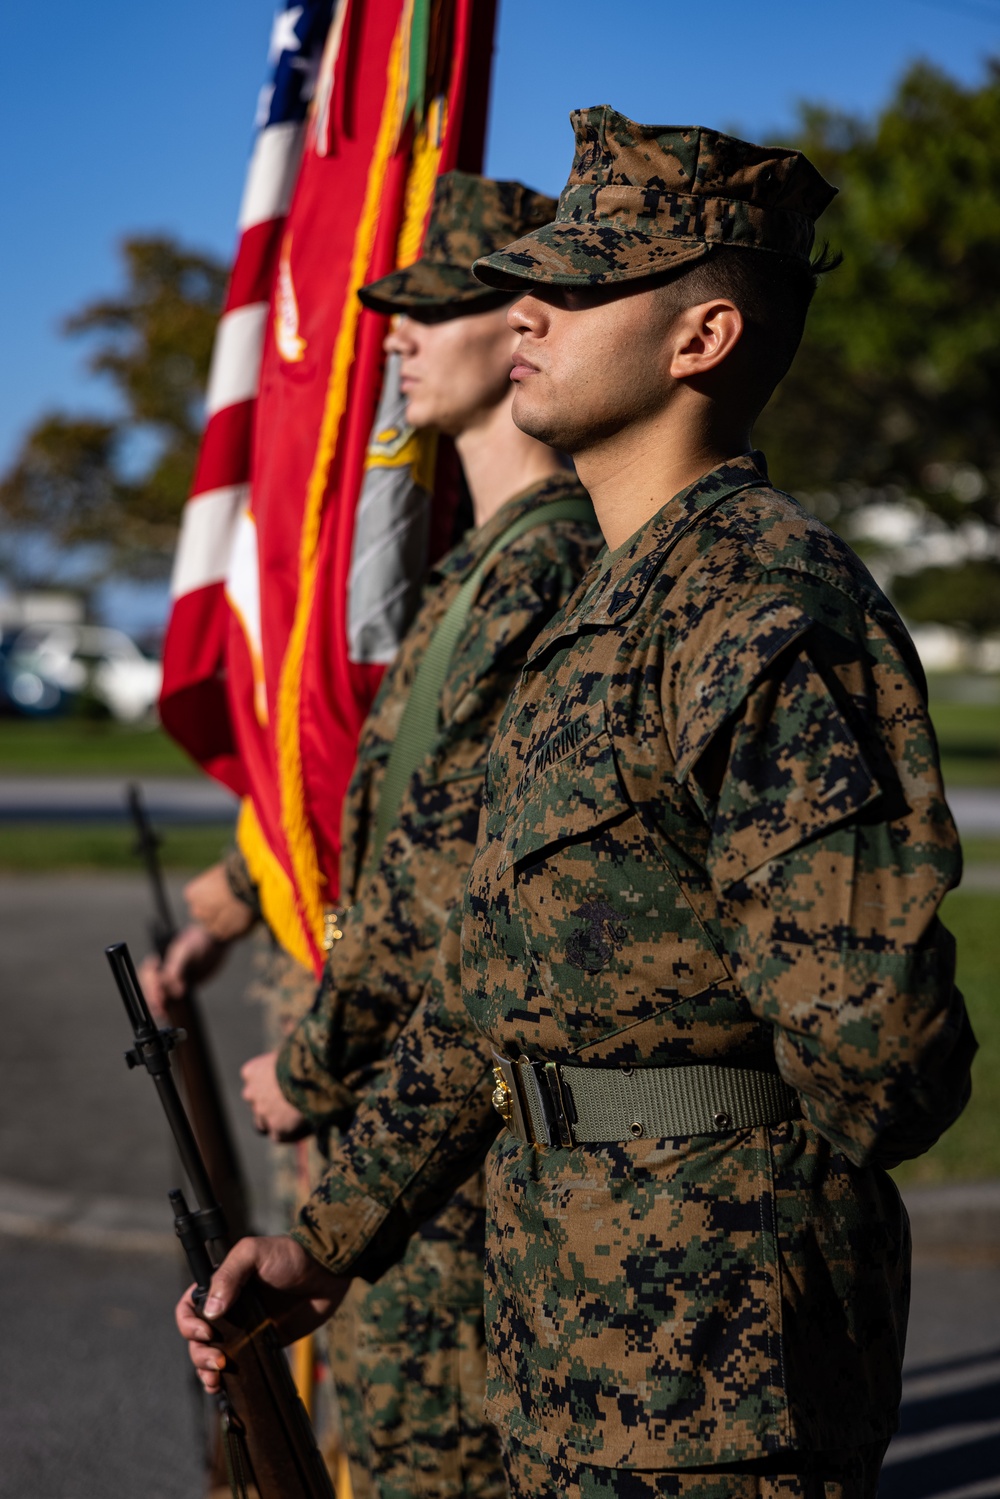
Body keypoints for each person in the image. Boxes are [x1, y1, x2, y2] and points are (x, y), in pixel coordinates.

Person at [178, 109, 975, 1498]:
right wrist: (330, 1244)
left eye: (587, 281)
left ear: (701, 338)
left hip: (721, 1374)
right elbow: (485, 991)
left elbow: (885, 1060)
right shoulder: (602, 614)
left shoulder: (763, 611)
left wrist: (725, 1172)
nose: (528, 306)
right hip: (559, 1347)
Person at [232, 167, 601, 1499]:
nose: (392, 336)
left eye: (431, 309)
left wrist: (316, 1065)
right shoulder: (476, 565)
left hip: (449, 1147)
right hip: (409, 1119)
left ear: (519, 331)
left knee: (435, 1463)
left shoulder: (544, 568)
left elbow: (441, 889)